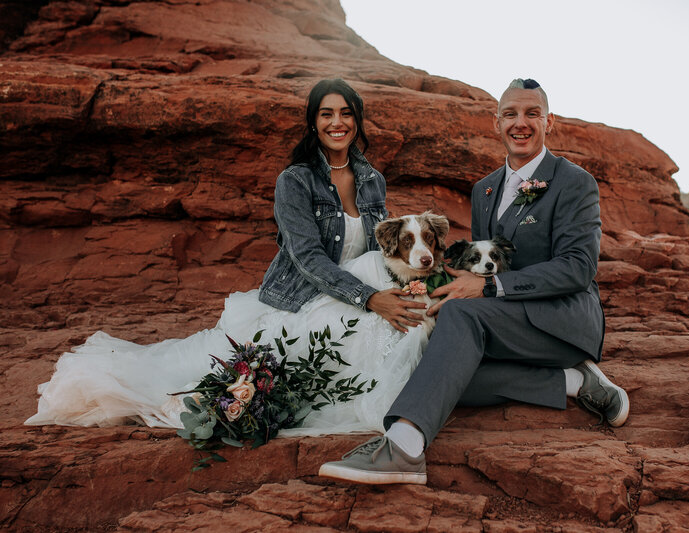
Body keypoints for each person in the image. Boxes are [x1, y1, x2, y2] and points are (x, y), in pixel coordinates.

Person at [25, 78, 430, 434]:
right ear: (313, 122)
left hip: (355, 292)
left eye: (345, 113)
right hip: (305, 300)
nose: (336, 122)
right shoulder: (295, 180)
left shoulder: (372, 179)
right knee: (229, 380)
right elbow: (306, 256)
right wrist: (371, 298)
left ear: (357, 120)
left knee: (404, 322)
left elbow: (384, 246)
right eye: (326, 114)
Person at [319, 78, 630, 485]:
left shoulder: (575, 182)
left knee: (458, 325)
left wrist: (486, 288)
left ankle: (405, 446)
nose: (521, 123)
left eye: (532, 113)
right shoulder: (484, 189)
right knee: (436, 366)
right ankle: (575, 381)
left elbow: (578, 267)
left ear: (549, 121)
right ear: (495, 123)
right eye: (510, 114)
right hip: (502, 320)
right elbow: (477, 264)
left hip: (562, 320)